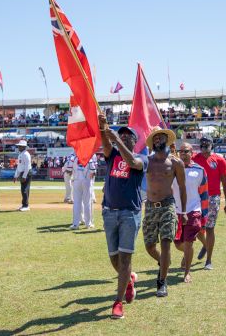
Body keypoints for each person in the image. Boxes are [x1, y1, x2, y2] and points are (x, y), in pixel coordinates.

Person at [99, 114, 148, 319]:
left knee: (125, 257)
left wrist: (116, 140)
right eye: (122, 135)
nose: (125, 137)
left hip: (130, 213)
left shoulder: (142, 159)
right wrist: (103, 129)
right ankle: (128, 281)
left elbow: (131, 160)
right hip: (109, 211)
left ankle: (118, 303)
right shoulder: (112, 155)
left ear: (135, 141)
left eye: (129, 136)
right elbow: (106, 146)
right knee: (114, 258)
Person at [144, 127, 186, 297]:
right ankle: (164, 262)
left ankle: (162, 282)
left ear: (167, 140)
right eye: (155, 139)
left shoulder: (176, 163)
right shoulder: (146, 161)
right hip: (149, 207)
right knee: (149, 246)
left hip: (168, 205)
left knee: (166, 242)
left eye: (160, 138)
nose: (158, 141)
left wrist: (183, 211)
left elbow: (182, 188)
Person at [192, 135, 226, 270]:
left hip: (213, 198)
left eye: (207, 145)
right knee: (195, 227)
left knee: (209, 228)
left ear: (211, 145)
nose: (204, 148)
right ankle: (205, 244)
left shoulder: (220, 160)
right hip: (196, 197)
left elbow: (225, 183)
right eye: (202, 145)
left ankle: (208, 260)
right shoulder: (194, 159)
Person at [172, 142, 209, 283]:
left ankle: (187, 272)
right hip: (177, 211)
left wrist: (204, 213)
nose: (183, 154)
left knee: (188, 242)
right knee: (177, 244)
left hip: (194, 210)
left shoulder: (199, 170)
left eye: (186, 151)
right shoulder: (173, 169)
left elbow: (204, 193)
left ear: (192, 153)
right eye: (181, 151)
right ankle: (188, 254)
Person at [69, 155, 97, 230]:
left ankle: (75, 224)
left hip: (77, 181)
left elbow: (69, 169)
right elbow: (93, 171)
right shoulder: (89, 158)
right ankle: (88, 224)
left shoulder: (73, 157)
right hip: (86, 181)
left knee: (77, 203)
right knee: (87, 203)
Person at [13, 140, 32, 211]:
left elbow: (27, 166)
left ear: (24, 147)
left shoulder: (26, 154)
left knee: (25, 190)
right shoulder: (20, 154)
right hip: (22, 173)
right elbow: (19, 166)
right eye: (18, 146)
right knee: (23, 190)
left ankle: (26, 206)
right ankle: (24, 205)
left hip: (26, 173)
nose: (18, 147)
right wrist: (16, 176)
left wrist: (24, 176)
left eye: (20, 146)